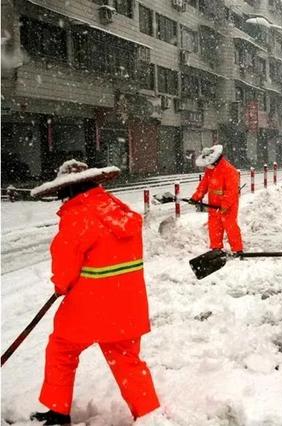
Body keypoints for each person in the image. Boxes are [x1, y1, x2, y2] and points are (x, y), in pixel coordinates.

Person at [29, 160, 160, 425]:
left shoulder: (78, 215)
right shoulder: (118, 210)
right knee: (128, 363)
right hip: (128, 305)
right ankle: (150, 416)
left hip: (91, 308)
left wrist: (61, 285)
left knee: (62, 349)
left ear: (68, 190)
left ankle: (57, 411)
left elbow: (65, 267)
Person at [191, 145, 244, 256]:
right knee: (214, 226)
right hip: (213, 205)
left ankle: (237, 250)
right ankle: (216, 249)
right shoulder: (210, 170)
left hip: (228, 205)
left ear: (215, 161)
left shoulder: (229, 171)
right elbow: (203, 185)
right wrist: (196, 197)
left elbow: (231, 192)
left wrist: (224, 205)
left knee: (230, 226)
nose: (206, 166)